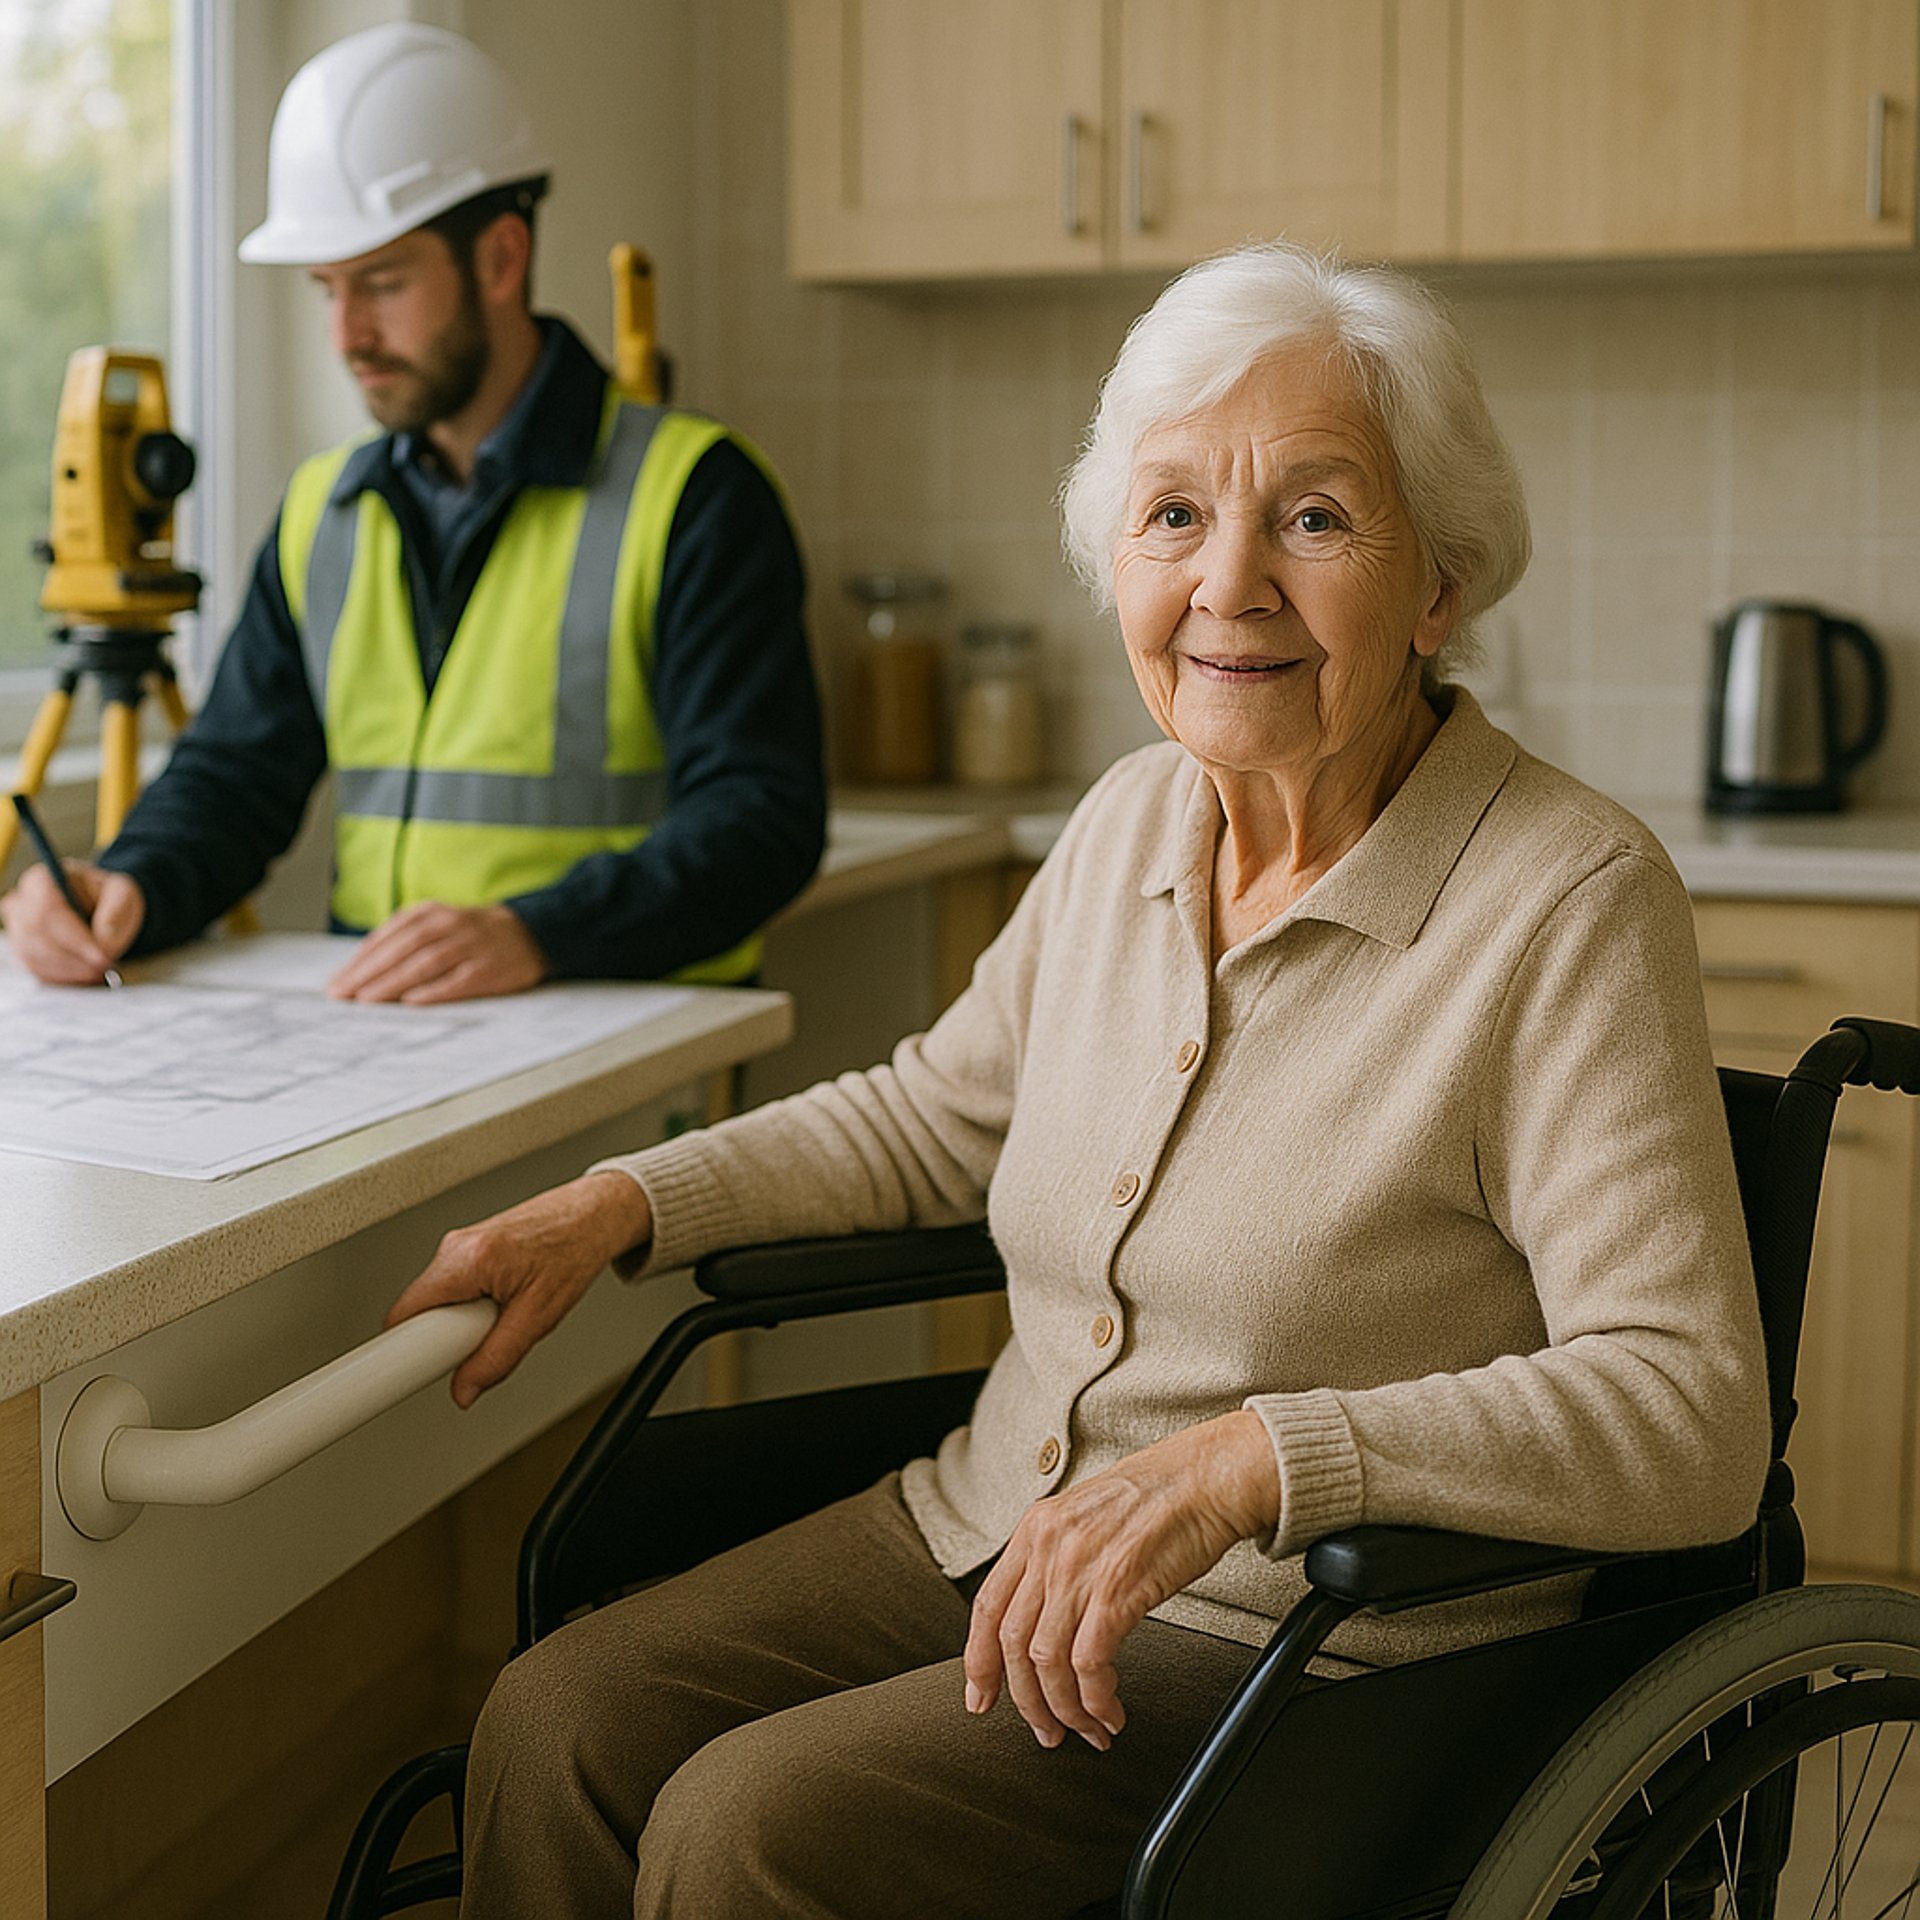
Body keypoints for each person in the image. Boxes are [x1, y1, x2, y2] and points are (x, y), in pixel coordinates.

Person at [383, 241, 1771, 1917]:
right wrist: (621, 1206)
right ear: (1113, 553)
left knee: (745, 1829)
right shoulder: (1132, 819)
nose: (1230, 583)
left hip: (1316, 1643)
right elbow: (931, 1115)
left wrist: (1260, 1459)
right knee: (556, 1718)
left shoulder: (1563, 896)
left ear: (1440, 582)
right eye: (1173, 514)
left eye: (1315, 518)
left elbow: (1687, 1411)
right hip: (992, 1525)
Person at [0, 23, 825, 1004]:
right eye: (326, 290)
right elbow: (235, 775)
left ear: (501, 259)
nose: (348, 335)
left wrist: (538, 932)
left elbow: (762, 819)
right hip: (392, 1036)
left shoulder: (696, 495)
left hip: (632, 1040)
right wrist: (132, 881)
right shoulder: (322, 510)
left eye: (383, 284)